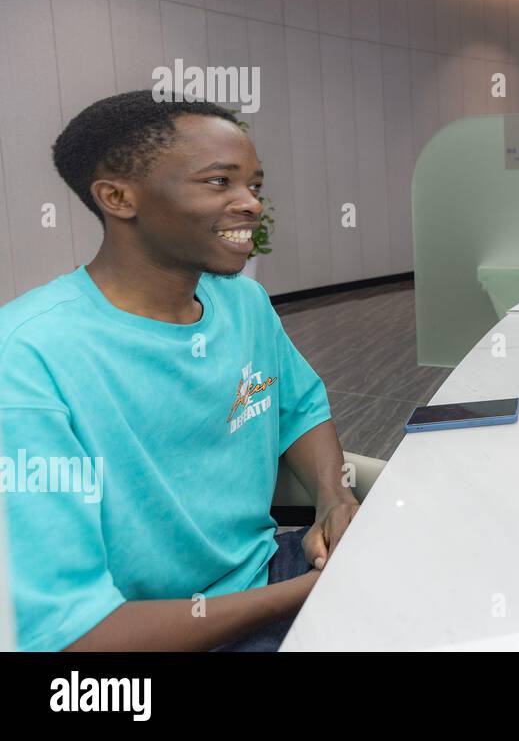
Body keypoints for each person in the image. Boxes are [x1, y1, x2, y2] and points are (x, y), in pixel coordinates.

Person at [0, 91, 359, 650]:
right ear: (118, 197)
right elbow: (72, 636)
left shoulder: (244, 304)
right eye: (220, 182)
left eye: (254, 185)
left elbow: (300, 411)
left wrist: (334, 498)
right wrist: (314, 589)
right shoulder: (27, 359)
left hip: (267, 573)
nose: (251, 205)